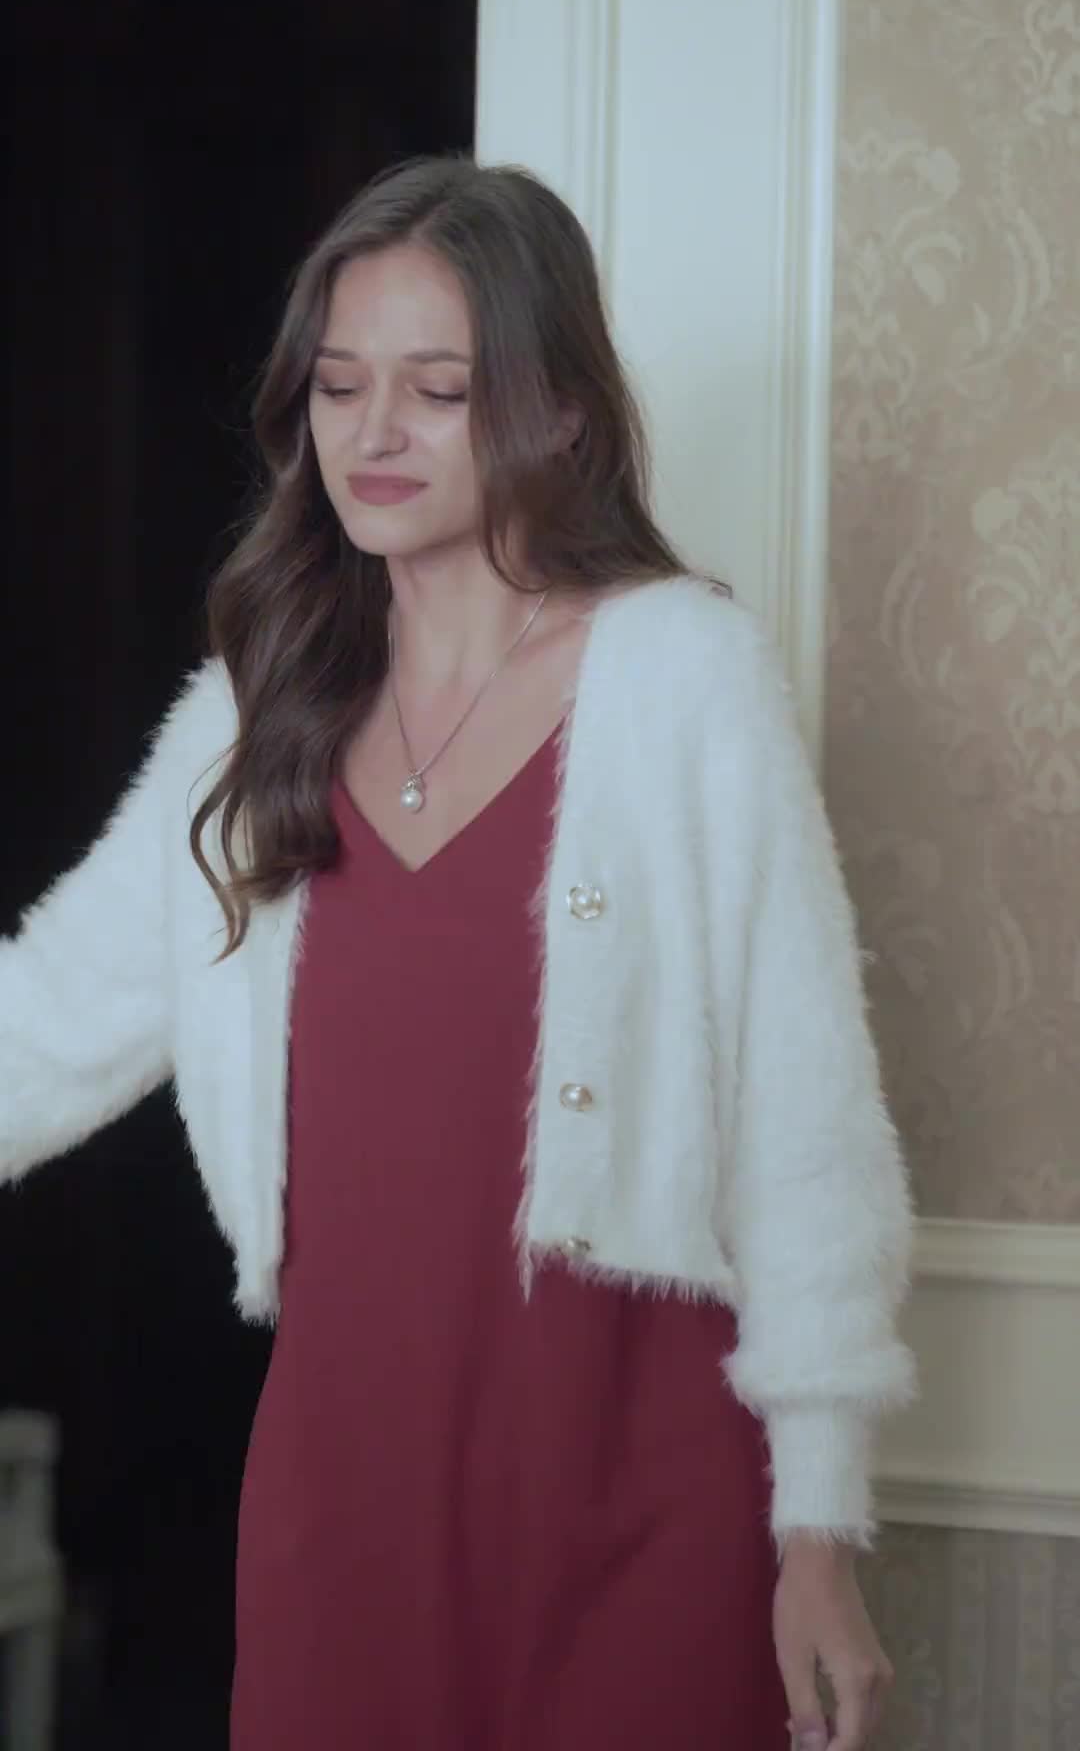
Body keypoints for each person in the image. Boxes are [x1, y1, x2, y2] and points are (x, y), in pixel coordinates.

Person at [0, 156, 916, 1751]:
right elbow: (41, 1021)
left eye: (437, 390)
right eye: (338, 385)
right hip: (342, 1496)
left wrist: (819, 1530)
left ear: (559, 412)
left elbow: (806, 1117)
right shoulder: (251, 722)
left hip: (648, 1499)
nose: (374, 433)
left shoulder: (686, 681)